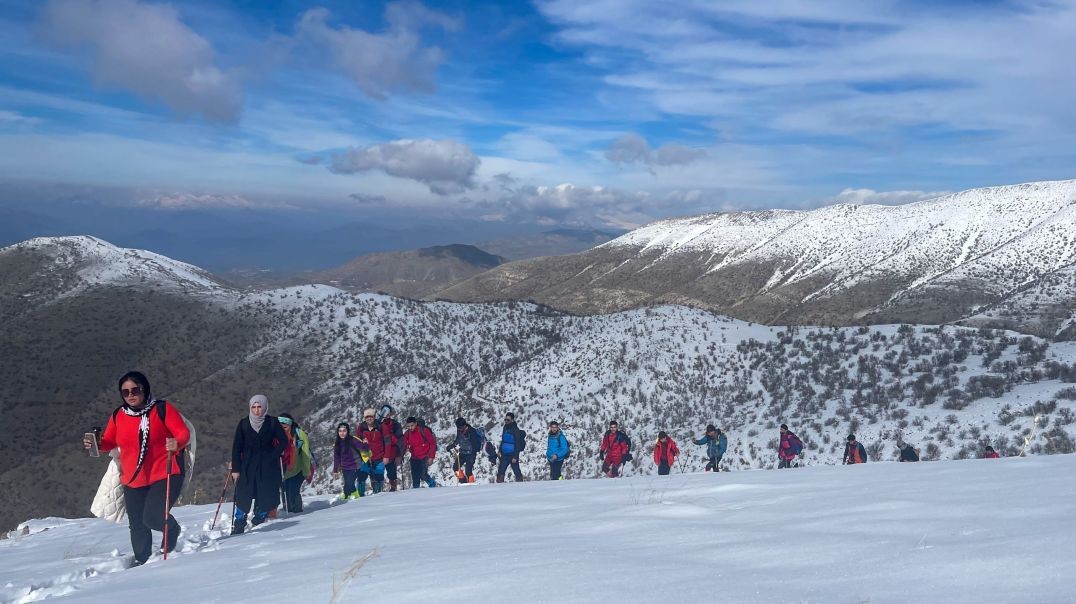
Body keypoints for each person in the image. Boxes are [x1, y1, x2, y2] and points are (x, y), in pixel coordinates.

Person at [83, 371, 190, 566]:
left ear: (144, 389)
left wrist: (177, 443)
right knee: (137, 525)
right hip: (133, 478)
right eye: (125, 392)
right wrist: (96, 443)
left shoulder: (161, 409)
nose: (131, 395)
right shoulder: (119, 415)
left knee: (152, 517)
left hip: (165, 471)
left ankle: (172, 529)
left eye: (135, 390)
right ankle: (143, 562)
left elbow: (183, 433)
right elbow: (109, 441)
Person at [230, 395, 287, 534]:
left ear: (265, 407)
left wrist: (273, 455)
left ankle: (259, 518)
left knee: (265, 492)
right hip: (247, 466)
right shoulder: (244, 423)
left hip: (267, 466)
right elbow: (236, 447)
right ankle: (239, 522)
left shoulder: (272, 422)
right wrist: (236, 468)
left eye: (259, 407)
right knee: (243, 493)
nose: (256, 410)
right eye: (253, 407)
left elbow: (283, 441)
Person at [279, 413, 314, 512]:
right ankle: (288, 510)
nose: (282, 426)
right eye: (280, 424)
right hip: (284, 471)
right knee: (285, 493)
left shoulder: (299, 434)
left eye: (285, 424)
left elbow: (305, 454)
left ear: (290, 424)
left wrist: (306, 471)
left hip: (298, 469)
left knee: (293, 491)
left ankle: (297, 511)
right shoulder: (277, 435)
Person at [333, 422, 371, 499]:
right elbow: (336, 458)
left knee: (349, 483)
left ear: (347, 431)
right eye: (340, 431)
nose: (342, 433)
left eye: (344, 431)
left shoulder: (352, 440)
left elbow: (364, 449)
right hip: (344, 467)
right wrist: (335, 470)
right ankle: (351, 496)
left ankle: (350, 496)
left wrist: (366, 444)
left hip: (355, 466)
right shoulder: (337, 443)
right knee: (347, 483)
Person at [357, 409, 386, 494]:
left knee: (378, 477)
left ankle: (378, 496)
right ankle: (359, 496)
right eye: (367, 417)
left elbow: (387, 442)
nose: (369, 418)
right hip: (365, 457)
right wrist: (362, 442)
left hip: (379, 457)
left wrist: (386, 456)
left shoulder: (381, 426)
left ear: (374, 417)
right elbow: (356, 441)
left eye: (371, 416)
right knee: (361, 477)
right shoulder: (361, 427)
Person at [403, 417, 438, 488]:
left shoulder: (424, 431)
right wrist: (401, 454)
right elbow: (404, 445)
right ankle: (416, 490)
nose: (410, 428)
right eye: (408, 426)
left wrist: (431, 457)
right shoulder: (407, 433)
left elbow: (432, 444)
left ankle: (432, 485)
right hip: (414, 457)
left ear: (416, 424)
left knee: (423, 475)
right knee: (415, 477)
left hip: (425, 456)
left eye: (412, 425)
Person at [446, 417, 482, 484]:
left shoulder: (471, 431)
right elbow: (458, 439)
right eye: (457, 427)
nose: (458, 429)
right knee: (456, 468)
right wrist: (452, 445)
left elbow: (475, 445)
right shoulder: (459, 430)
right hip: (462, 452)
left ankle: (471, 485)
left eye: (459, 427)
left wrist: (473, 457)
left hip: (470, 453)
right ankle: (463, 482)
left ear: (464, 426)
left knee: (468, 471)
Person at [380, 406, 405, 491]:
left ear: (390, 414)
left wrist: (400, 455)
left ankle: (393, 488)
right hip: (380, 453)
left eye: (388, 414)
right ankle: (378, 490)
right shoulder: (378, 424)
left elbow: (400, 441)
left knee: (391, 472)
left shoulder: (395, 425)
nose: (386, 415)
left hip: (392, 453)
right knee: (378, 473)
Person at [497, 412, 526, 483]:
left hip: (513, 454)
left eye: (508, 420)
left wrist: (515, 456)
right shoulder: (505, 428)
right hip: (504, 454)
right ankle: (498, 488)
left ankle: (520, 486)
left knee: (516, 471)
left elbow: (517, 444)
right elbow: (503, 441)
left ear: (512, 420)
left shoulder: (515, 430)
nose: (506, 421)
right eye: (505, 419)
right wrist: (500, 450)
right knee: (501, 471)